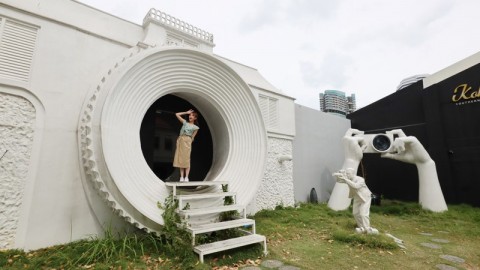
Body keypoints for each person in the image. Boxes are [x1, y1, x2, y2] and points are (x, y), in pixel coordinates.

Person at [333, 168, 378, 234]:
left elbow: (355, 186)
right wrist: (338, 175)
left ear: (353, 174)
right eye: (347, 173)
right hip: (357, 197)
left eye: (348, 173)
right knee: (355, 213)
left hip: (365, 197)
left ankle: (367, 228)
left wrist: (345, 179)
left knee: (363, 214)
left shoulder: (360, 179)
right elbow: (338, 181)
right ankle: (361, 227)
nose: (347, 175)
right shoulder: (348, 179)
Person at [173, 109, 199, 182]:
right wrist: (186, 112)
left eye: (192, 115)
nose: (190, 116)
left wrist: (189, 142)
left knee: (186, 159)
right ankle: (181, 177)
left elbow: (193, 137)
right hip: (181, 139)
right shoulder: (185, 122)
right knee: (181, 159)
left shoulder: (195, 127)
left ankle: (186, 177)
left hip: (187, 141)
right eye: (190, 115)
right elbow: (177, 114)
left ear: (195, 118)